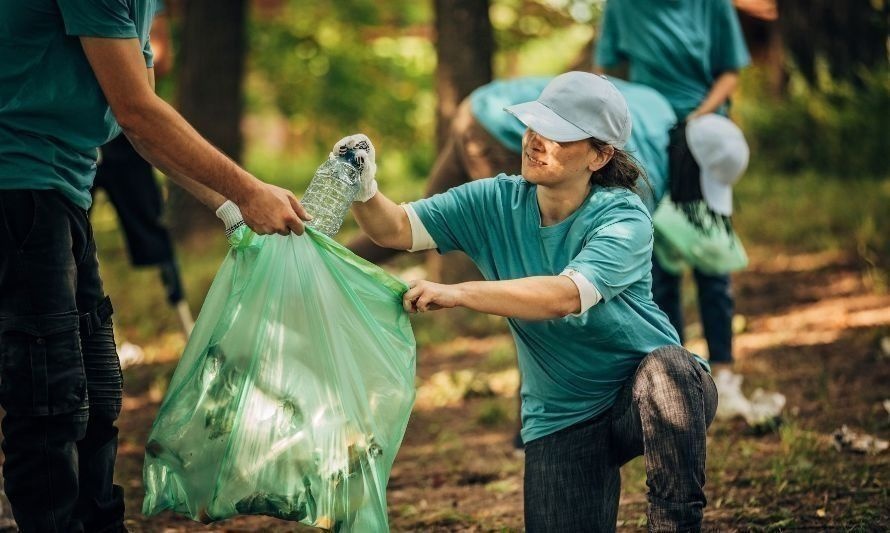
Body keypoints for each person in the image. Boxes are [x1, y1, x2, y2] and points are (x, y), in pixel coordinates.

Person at [343, 72, 718, 531]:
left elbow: (564, 296)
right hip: (561, 415)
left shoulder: (624, 217)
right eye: (533, 126)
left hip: (644, 396)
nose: (535, 142)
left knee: (672, 369)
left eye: (557, 134)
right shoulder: (495, 201)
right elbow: (395, 229)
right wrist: (363, 188)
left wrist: (461, 293)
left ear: (600, 155)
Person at [0, 1, 309, 531]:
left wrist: (232, 208)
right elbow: (135, 110)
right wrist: (249, 189)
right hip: (18, 184)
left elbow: (140, 128)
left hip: (63, 188)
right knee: (49, 399)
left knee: (96, 392)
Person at [594, 0, 751, 372]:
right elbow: (605, 71)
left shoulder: (713, 6)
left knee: (709, 257)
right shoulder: (622, 7)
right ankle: (675, 369)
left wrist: (697, 118)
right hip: (645, 141)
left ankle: (724, 372)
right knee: (657, 263)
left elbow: (729, 73)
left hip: (701, 140)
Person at [91, 3, 194, 334]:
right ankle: (98, 335)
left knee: (153, 228)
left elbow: (161, 59)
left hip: (126, 139)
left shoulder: (150, 6)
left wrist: (122, 59)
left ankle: (185, 326)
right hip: (79, 138)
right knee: (72, 236)